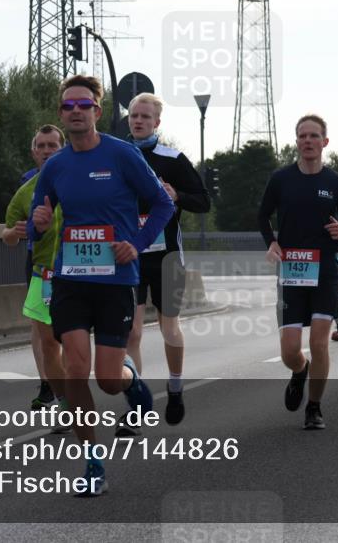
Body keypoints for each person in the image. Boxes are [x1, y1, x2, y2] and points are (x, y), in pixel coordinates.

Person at [30, 75, 174, 496]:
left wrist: (137, 244)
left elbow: (163, 204)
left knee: (108, 379)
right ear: (61, 113)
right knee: (76, 370)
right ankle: (93, 462)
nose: (76, 111)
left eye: (84, 105)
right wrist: (38, 225)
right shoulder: (55, 166)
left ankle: (133, 384)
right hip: (71, 279)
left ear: (97, 110)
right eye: (68, 106)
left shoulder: (123, 154)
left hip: (115, 281)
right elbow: (36, 225)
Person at [258, 115, 338, 430]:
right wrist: (272, 242)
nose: (307, 141)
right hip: (291, 270)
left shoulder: (336, 183)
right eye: (302, 136)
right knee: (290, 350)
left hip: (325, 272)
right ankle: (299, 370)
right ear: (297, 141)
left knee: (319, 343)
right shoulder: (281, 179)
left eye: (314, 136)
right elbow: (263, 215)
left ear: (324, 142)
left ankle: (314, 407)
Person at [124, 93, 211, 427]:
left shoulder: (173, 159)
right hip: (130, 254)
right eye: (134, 115)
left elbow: (203, 202)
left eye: (145, 116)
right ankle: (136, 405)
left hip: (168, 257)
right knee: (131, 332)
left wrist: (177, 195)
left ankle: (175, 386)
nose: (138, 121)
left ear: (157, 122)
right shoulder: (119, 156)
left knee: (169, 327)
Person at [4, 125, 67, 417]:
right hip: (42, 270)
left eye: (52, 146)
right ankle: (56, 393)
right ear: (33, 152)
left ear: (63, 149)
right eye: (41, 146)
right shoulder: (26, 189)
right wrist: (13, 233)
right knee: (47, 339)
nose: (46, 151)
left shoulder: (80, 181)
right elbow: (7, 234)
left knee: (71, 338)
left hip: (77, 270)